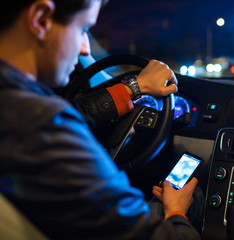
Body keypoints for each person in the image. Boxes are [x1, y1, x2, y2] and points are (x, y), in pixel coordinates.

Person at [0, 0, 202, 239]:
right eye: (83, 29)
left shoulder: (18, 109)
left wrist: (134, 87)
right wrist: (176, 214)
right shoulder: (41, 124)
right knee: (194, 197)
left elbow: (75, 112)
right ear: (41, 20)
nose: (85, 49)